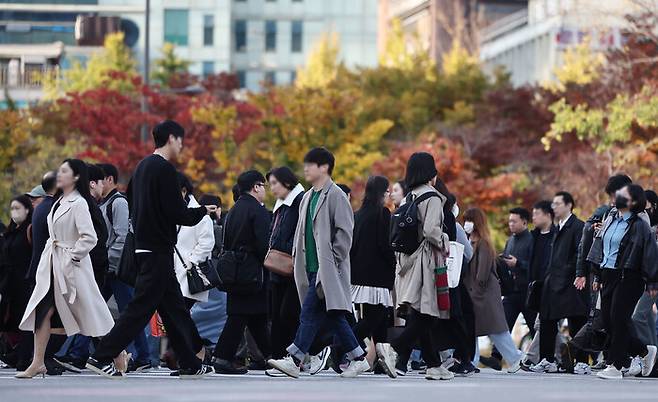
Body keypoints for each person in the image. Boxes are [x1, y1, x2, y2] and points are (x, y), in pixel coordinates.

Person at [88, 120, 216, 378]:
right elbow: (177, 212)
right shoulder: (165, 170)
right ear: (171, 138)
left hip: (146, 248)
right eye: (180, 140)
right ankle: (101, 355)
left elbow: (134, 202)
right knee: (141, 307)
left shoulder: (142, 167)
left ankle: (190, 363)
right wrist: (203, 211)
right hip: (157, 250)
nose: (182, 146)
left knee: (174, 308)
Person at [268, 147, 367, 379]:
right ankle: (359, 358)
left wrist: (332, 260)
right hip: (309, 268)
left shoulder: (336, 195)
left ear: (324, 167)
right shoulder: (308, 196)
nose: (305, 169)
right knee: (334, 316)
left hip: (327, 269)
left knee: (309, 313)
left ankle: (294, 359)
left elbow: (345, 233)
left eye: (310, 164)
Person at [17, 159, 116, 379]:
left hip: (73, 268)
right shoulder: (59, 201)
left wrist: (72, 255)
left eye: (64, 171)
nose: (59, 175)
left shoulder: (79, 203)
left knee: (92, 314)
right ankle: (38, 362)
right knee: (43, 311)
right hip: (53, 266)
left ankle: (119, 354)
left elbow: (90, 237)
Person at [386, 152, 454, 380]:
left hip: (406, 261)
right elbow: (430, 231)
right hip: (425, 262)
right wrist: (445, 240)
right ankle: (394, 347)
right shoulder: (432, 197)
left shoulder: (408, 197)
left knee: (419, 313)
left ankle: (433, 364)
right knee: (428, 315)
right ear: (430, 172)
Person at [586, 184, 658, 379]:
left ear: (633, 201)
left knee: (618, 319)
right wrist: (597, 273)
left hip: (629, 276)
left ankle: (615, 366)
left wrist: (652, 281)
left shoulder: (639, 224)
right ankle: (643, 351)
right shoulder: (611, 218)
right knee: (609, 322)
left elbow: (650, 252)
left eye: (623, 196)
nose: (618, 197)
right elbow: (600, 246)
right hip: (608, 274)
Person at [212, 170, 272, 374]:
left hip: (234, 270)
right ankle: (222, 358)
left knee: (255, 317)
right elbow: (264, 245)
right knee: (239, 316)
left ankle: (272, 356)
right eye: (263, 185)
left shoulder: (234, 210)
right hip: (252, 272)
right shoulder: (258, 211)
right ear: (256, 187)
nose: (265, 190)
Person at [96, 163, 151, 372]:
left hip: (117, 269)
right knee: (95, 308)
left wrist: (110, 262)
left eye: (100, 180)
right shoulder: (105, 203)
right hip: (109, 268)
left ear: (109, 179)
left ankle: (144, 355)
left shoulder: (118, 203)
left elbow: (120, 237)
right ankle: (79, 352)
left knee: (130, 312)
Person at [531, 192, 587, 373]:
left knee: (576, 321)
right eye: (553, 204)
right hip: (552, 281)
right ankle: (548, 360)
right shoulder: (558, 227)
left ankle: (581, 362)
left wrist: (569, 271)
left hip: (570, 282)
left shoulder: (578, 226)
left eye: (557, 204)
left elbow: (580, 253)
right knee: (547, 321)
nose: (553, 207)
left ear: (569, 205)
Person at [462, 208, 523, 373]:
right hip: (477, 293)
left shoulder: (483, 243)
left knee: (496, 330)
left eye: (469, 220)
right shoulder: (470, 241)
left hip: (483, 293)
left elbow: (482, 272)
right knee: (475, 328)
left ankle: (516, 358)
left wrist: (475, 291)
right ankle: (471, 360)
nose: (466, 223)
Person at [349, 176, 396, 372]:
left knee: (378, 318)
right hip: (377, 276)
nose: (389, 195)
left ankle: (382, 362)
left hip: (359, 274)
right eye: (387, 191)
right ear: (380, 193)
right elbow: (384, 245)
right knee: (374, 319)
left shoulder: (358, 214)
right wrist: (394, 261)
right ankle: (340, 345)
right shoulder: (382, 214)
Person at [172, 172, 214, 362]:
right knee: (178, 316)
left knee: (180, 315)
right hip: (174, 273)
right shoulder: (175, 211)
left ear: (183, 191)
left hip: (189, 274)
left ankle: (194, 353)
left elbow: (206, 244)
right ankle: (191, 354)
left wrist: (190, 262)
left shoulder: (200, 214)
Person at [265, 167, 305, 366]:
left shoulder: (300, 201)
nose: (271, 188)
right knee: (277, 315)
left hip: (293, 267)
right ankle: (279, 356)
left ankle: (295, 356)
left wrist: (282, 248)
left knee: (289, 313)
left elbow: (301, 236)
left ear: (286, 182)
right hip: (277, 267)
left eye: (274, 183)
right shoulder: (281, 205)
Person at [522, 201, 557, 367]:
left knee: (543, 323)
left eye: (537, 214)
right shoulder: (533, 236)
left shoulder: (557, 235)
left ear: (548, 215)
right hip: (536, 287)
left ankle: (532, 357)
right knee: (542, 324)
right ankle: (562, 352)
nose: (533, 217)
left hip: (552, 285)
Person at [0, 196, 33, 370]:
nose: (14, 212)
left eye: (17, 208)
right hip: (9, 285)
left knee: (25, 322)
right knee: (10, 321)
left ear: (27, 210)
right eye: (12, 208)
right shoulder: (10, 232)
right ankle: (14, 354)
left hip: (25, 283)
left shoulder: (29, 229)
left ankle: (23, 357)